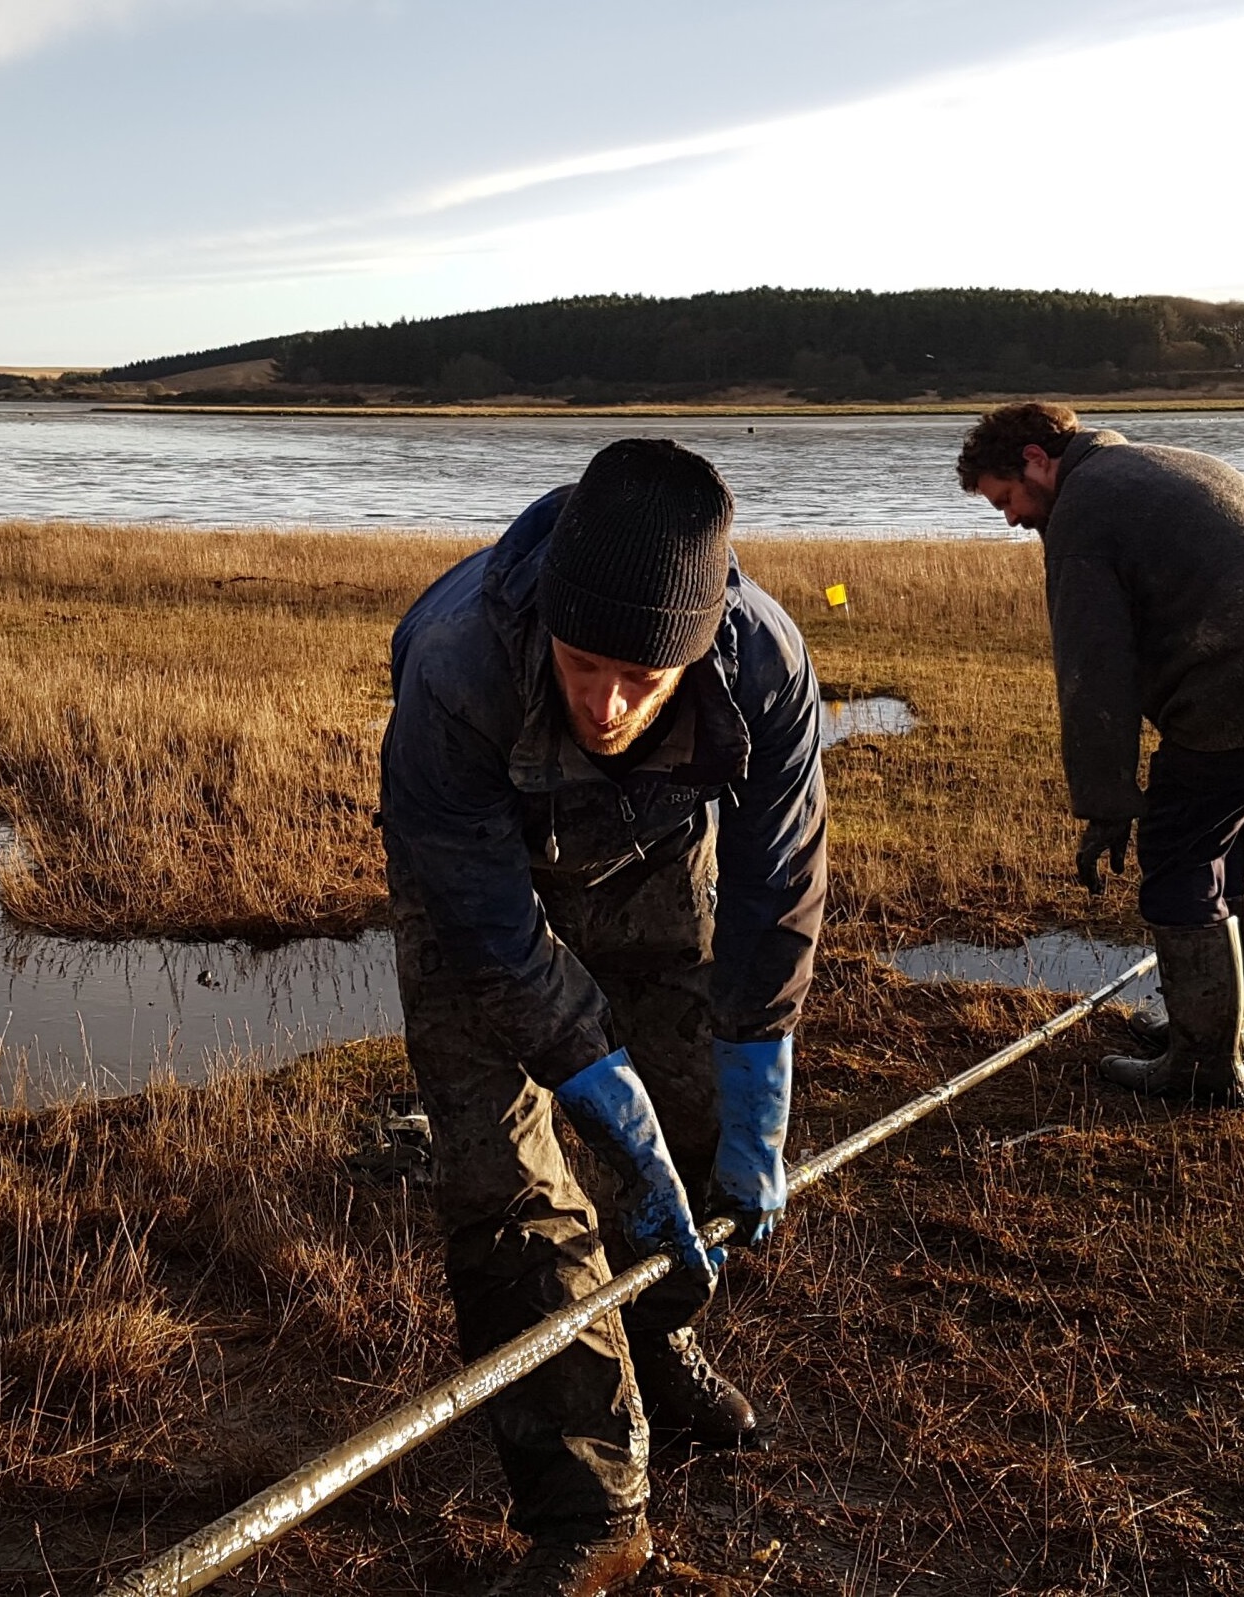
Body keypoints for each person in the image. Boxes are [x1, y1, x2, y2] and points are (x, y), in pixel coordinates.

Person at [378, 438, 827, 1596]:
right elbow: (484, 916)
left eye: (646, 678)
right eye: (584, 667)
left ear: (700, 647)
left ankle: (657, 1330)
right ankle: (589, 1511)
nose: (608, 703)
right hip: (472, 885)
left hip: (649, 861)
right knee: (506, 1187)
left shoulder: (766, 659)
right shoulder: (456, 659)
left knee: (692, 1124)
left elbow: (778, 884)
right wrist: (584, 1064)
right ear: (546, 628)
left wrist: (759, 1069)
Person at [956, 402, 1244, 1107]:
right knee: (1224, 841)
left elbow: (1094, 673)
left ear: (1035, 459)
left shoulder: (1083, 514)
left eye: (1007, 498)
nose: (1009, 518)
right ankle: (1217, 1028)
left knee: (1178, 855)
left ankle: (1202, 1067)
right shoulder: (1153, 462)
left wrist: (1105, 804)